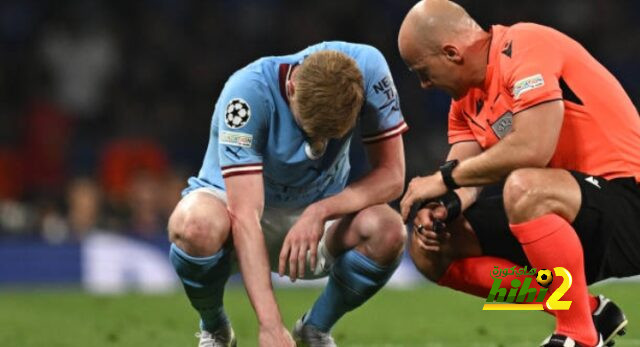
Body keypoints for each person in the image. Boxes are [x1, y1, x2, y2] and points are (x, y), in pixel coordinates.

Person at [397, 1, 640, 346]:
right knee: (432, 247)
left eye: (422, 71)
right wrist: (443, 207)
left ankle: (578, 335)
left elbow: (533, 146)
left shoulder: (524, 46)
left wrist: (441, 180)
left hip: (627, 203)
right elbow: (463, 176)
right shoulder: (464, 103)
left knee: (524, 188)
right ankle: (587, 311)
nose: (423, 84)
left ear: (451, 53)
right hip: (563, 219)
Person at [168, 41, 408, 346]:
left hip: (319, 212)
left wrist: (320, 211)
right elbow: (244, 215)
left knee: (389, 231)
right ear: (292, 87)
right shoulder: (247, 93)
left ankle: (315, 329)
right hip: (236, 212)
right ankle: (214, 328)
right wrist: (270, 325)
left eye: (327, 136)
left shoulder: (369, 68)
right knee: (195, 225)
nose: (318, 143)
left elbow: (392, 176)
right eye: (309, 129)